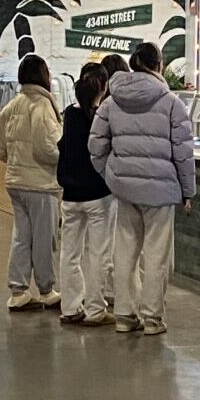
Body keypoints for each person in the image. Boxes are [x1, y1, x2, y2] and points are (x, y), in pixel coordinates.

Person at [89, 41, 194, 336]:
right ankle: (153, 318)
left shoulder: (112, 101)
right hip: (161, 193)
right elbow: (183, 153)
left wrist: (111, 174)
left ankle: (124, 314)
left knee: (124, 253)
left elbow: (95, 145)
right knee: (157, 256)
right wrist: (188, 191)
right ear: (159, 65)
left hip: (125, 190)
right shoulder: (173, 103)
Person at [0, 53, 62, 311]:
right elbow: (47, 148)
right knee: (44, 238)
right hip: (41, 183)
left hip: (16, 182)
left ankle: (18, 290)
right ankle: (46, 289)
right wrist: (63, 159)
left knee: (22, 237)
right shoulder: (42, 106)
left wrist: (12, 159)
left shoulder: (14, 104)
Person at [56, 63, 115, 327]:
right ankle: (95, 310)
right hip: (98, 196)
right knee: (98, 254)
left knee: (69, 253)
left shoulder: (70, 114)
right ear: (103, 87)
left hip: (70, 195)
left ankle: (70, 308)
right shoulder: (104, 116)